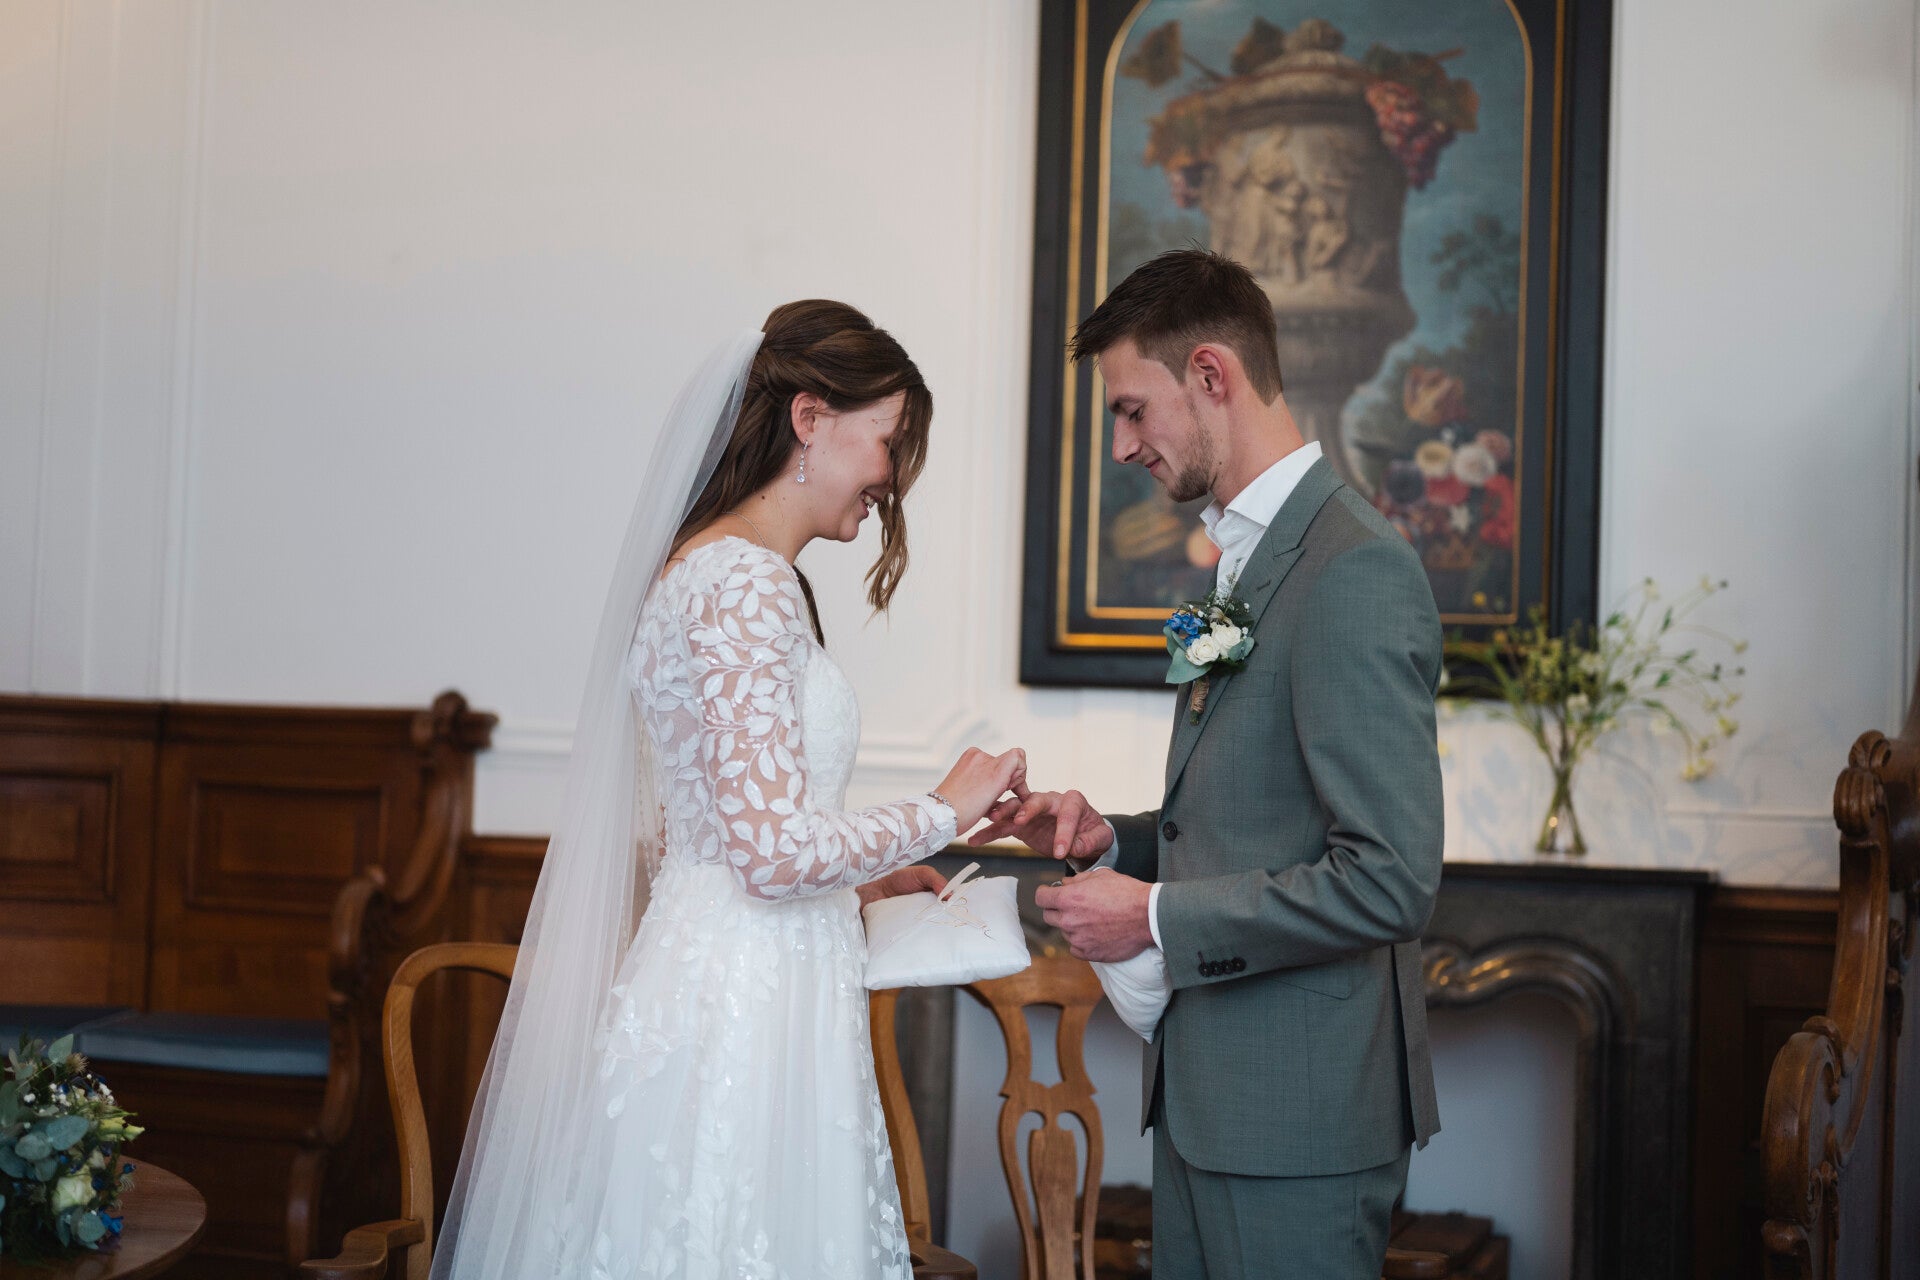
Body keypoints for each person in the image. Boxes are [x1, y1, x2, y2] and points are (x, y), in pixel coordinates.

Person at [435, 300, 1028, 1280]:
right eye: (888, 442)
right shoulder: (743, 582)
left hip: (742, 973)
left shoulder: (714, 572)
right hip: (742, 1012)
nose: (891, 478)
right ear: (809, 419)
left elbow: (716, 836)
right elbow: (768, 854)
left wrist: (865, 881)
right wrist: (944, 808)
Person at [973, 249, 1444, 1280]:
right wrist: (1112, 840)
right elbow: (1246, 819)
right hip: (1207, 1103)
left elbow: (1390, 878)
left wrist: (1150, 917)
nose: (1121, 444)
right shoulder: (1252, 554)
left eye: (1132, 410)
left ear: (1211, 375)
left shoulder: (1353, 568)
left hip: (1299, 1125)